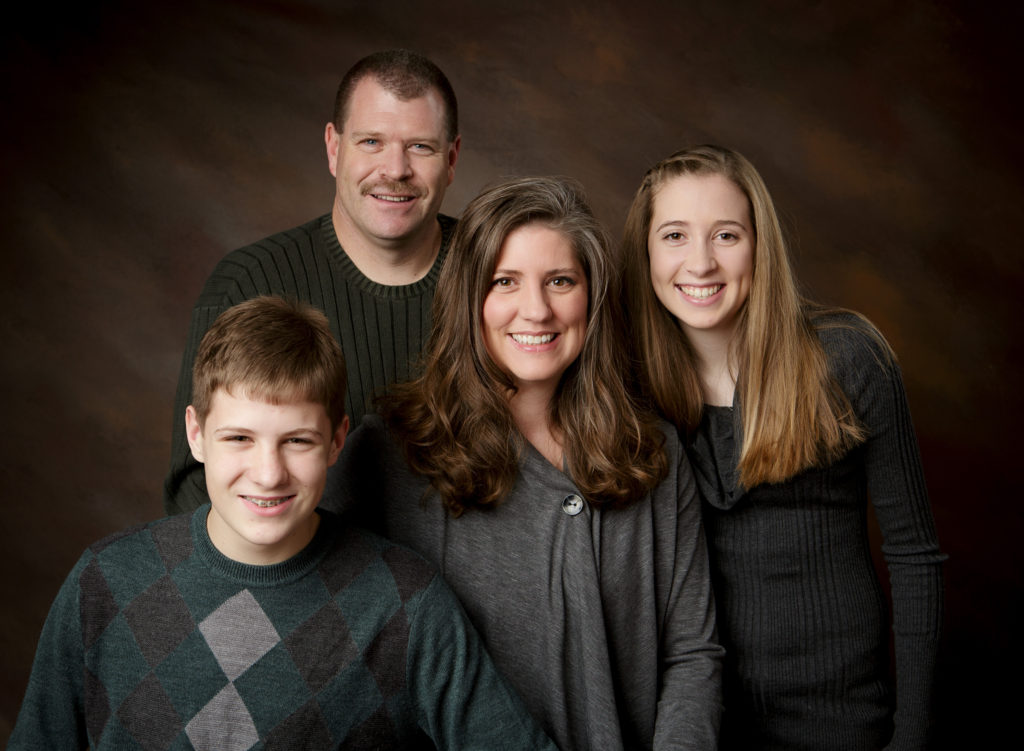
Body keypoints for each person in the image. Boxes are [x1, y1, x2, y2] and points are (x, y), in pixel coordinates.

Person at [10, 296, 556, 750]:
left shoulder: (406, 606)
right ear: (196, 434)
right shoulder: (105, 582)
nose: (268, 474)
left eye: (297, 441)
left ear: (338, 439)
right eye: (239, 438)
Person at [326, 176, 723, 750]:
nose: (535, 310)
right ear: (469, 300)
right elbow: (330, 640)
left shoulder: (652, 452)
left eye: (560, 281)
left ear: (592, 295)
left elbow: (693, 653)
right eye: (504, 282)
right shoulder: (390, 452)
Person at [622, 144, 946, 750]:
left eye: (725, 235)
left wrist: (912, 738)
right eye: (673, 236)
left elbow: (914, 556)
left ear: (759, 244)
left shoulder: (848, 359)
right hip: (698, 724)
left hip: (843, 721)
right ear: (645, 254)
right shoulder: (631, 386)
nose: (700, 262)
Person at [165, 48, 462, 515]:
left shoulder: (501, 276)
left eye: (420, 146)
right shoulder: (250, 281)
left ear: (451, 158)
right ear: (333, 147)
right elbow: (195, 489)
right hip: (304, 580)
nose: (396, 169)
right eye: (371, 142)